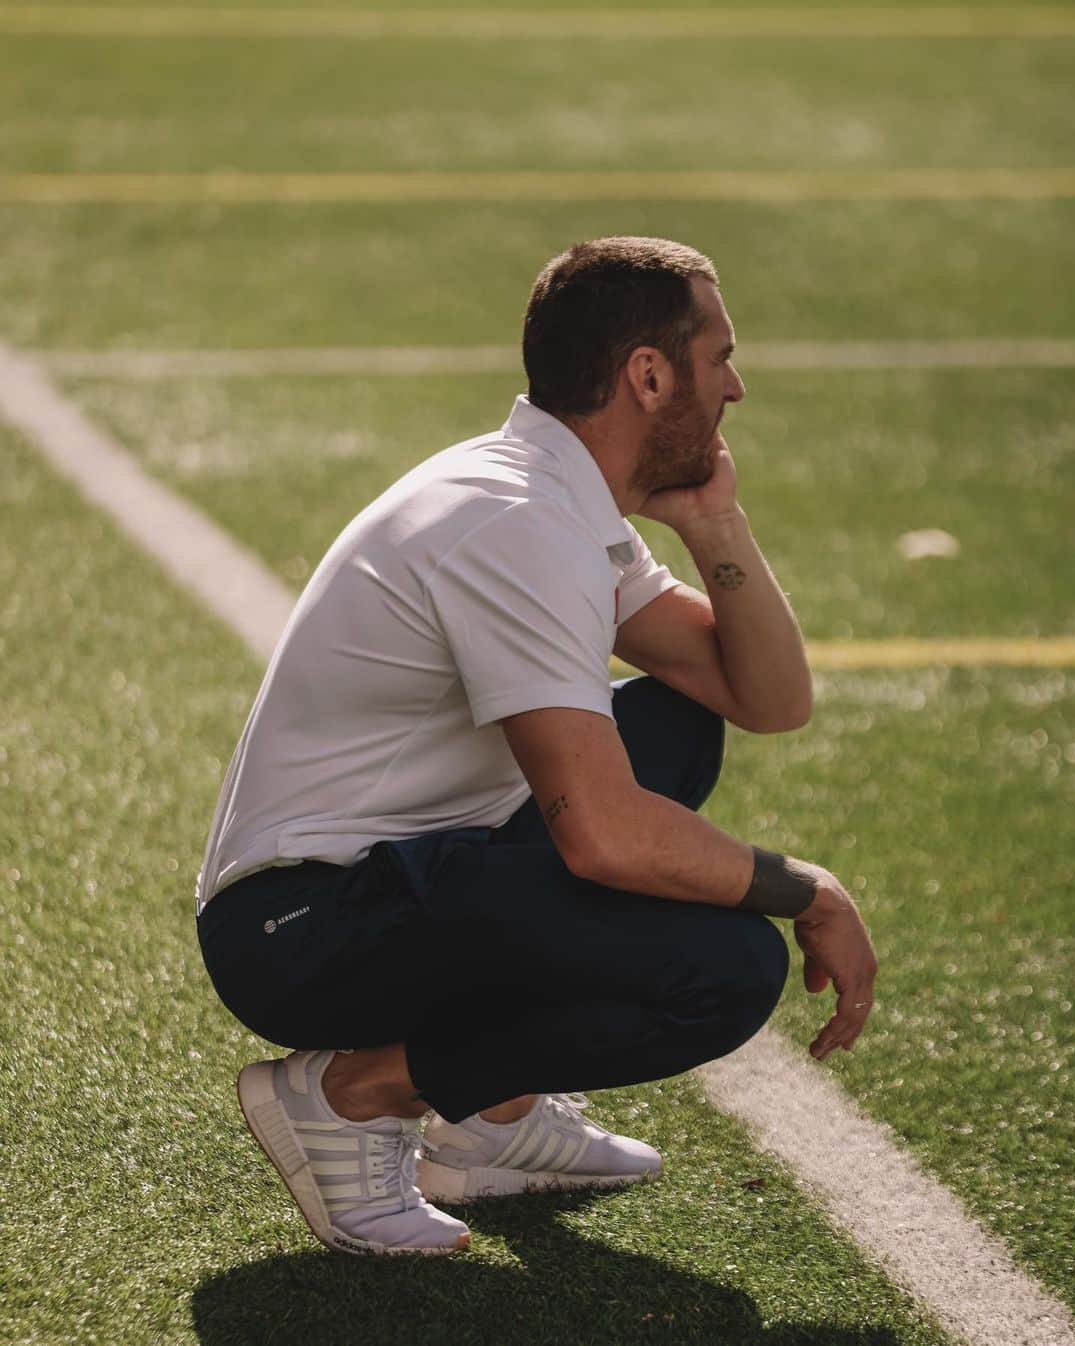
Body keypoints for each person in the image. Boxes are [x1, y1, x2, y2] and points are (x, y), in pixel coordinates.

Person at [195, 235, 878, 1258]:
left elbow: (765, 696)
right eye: (720, 356)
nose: (735, 386)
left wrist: (717, 519)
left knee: (674, 720)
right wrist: (807, 887)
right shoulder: (515, 520)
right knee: (728, 963)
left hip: (398, 877)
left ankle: (490, 1116)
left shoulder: (553, 497)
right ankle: (349, 1092)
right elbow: (602, 834)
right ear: (649, 374)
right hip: (300, 926)